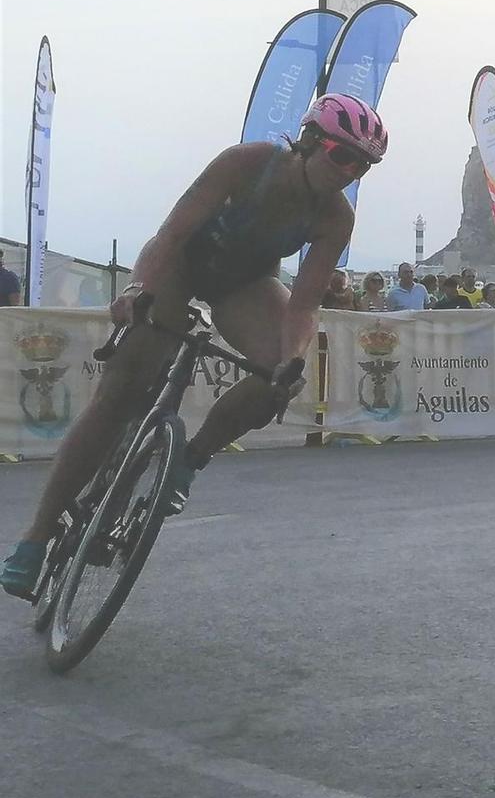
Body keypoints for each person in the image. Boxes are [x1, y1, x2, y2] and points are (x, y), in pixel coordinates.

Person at [4, 94, 388, 599]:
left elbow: (303, 306)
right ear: (311, 141)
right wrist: (139, 288)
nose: (351, 171)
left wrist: (292, 359)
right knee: (118, 398)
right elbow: (171, 234)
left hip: (243, 284)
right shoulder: (246, 163)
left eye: (364, 164)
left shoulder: (335, 216)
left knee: (278, 376)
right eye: (344, 156)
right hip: (181, 265)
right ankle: (35, 537)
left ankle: (189, 459)